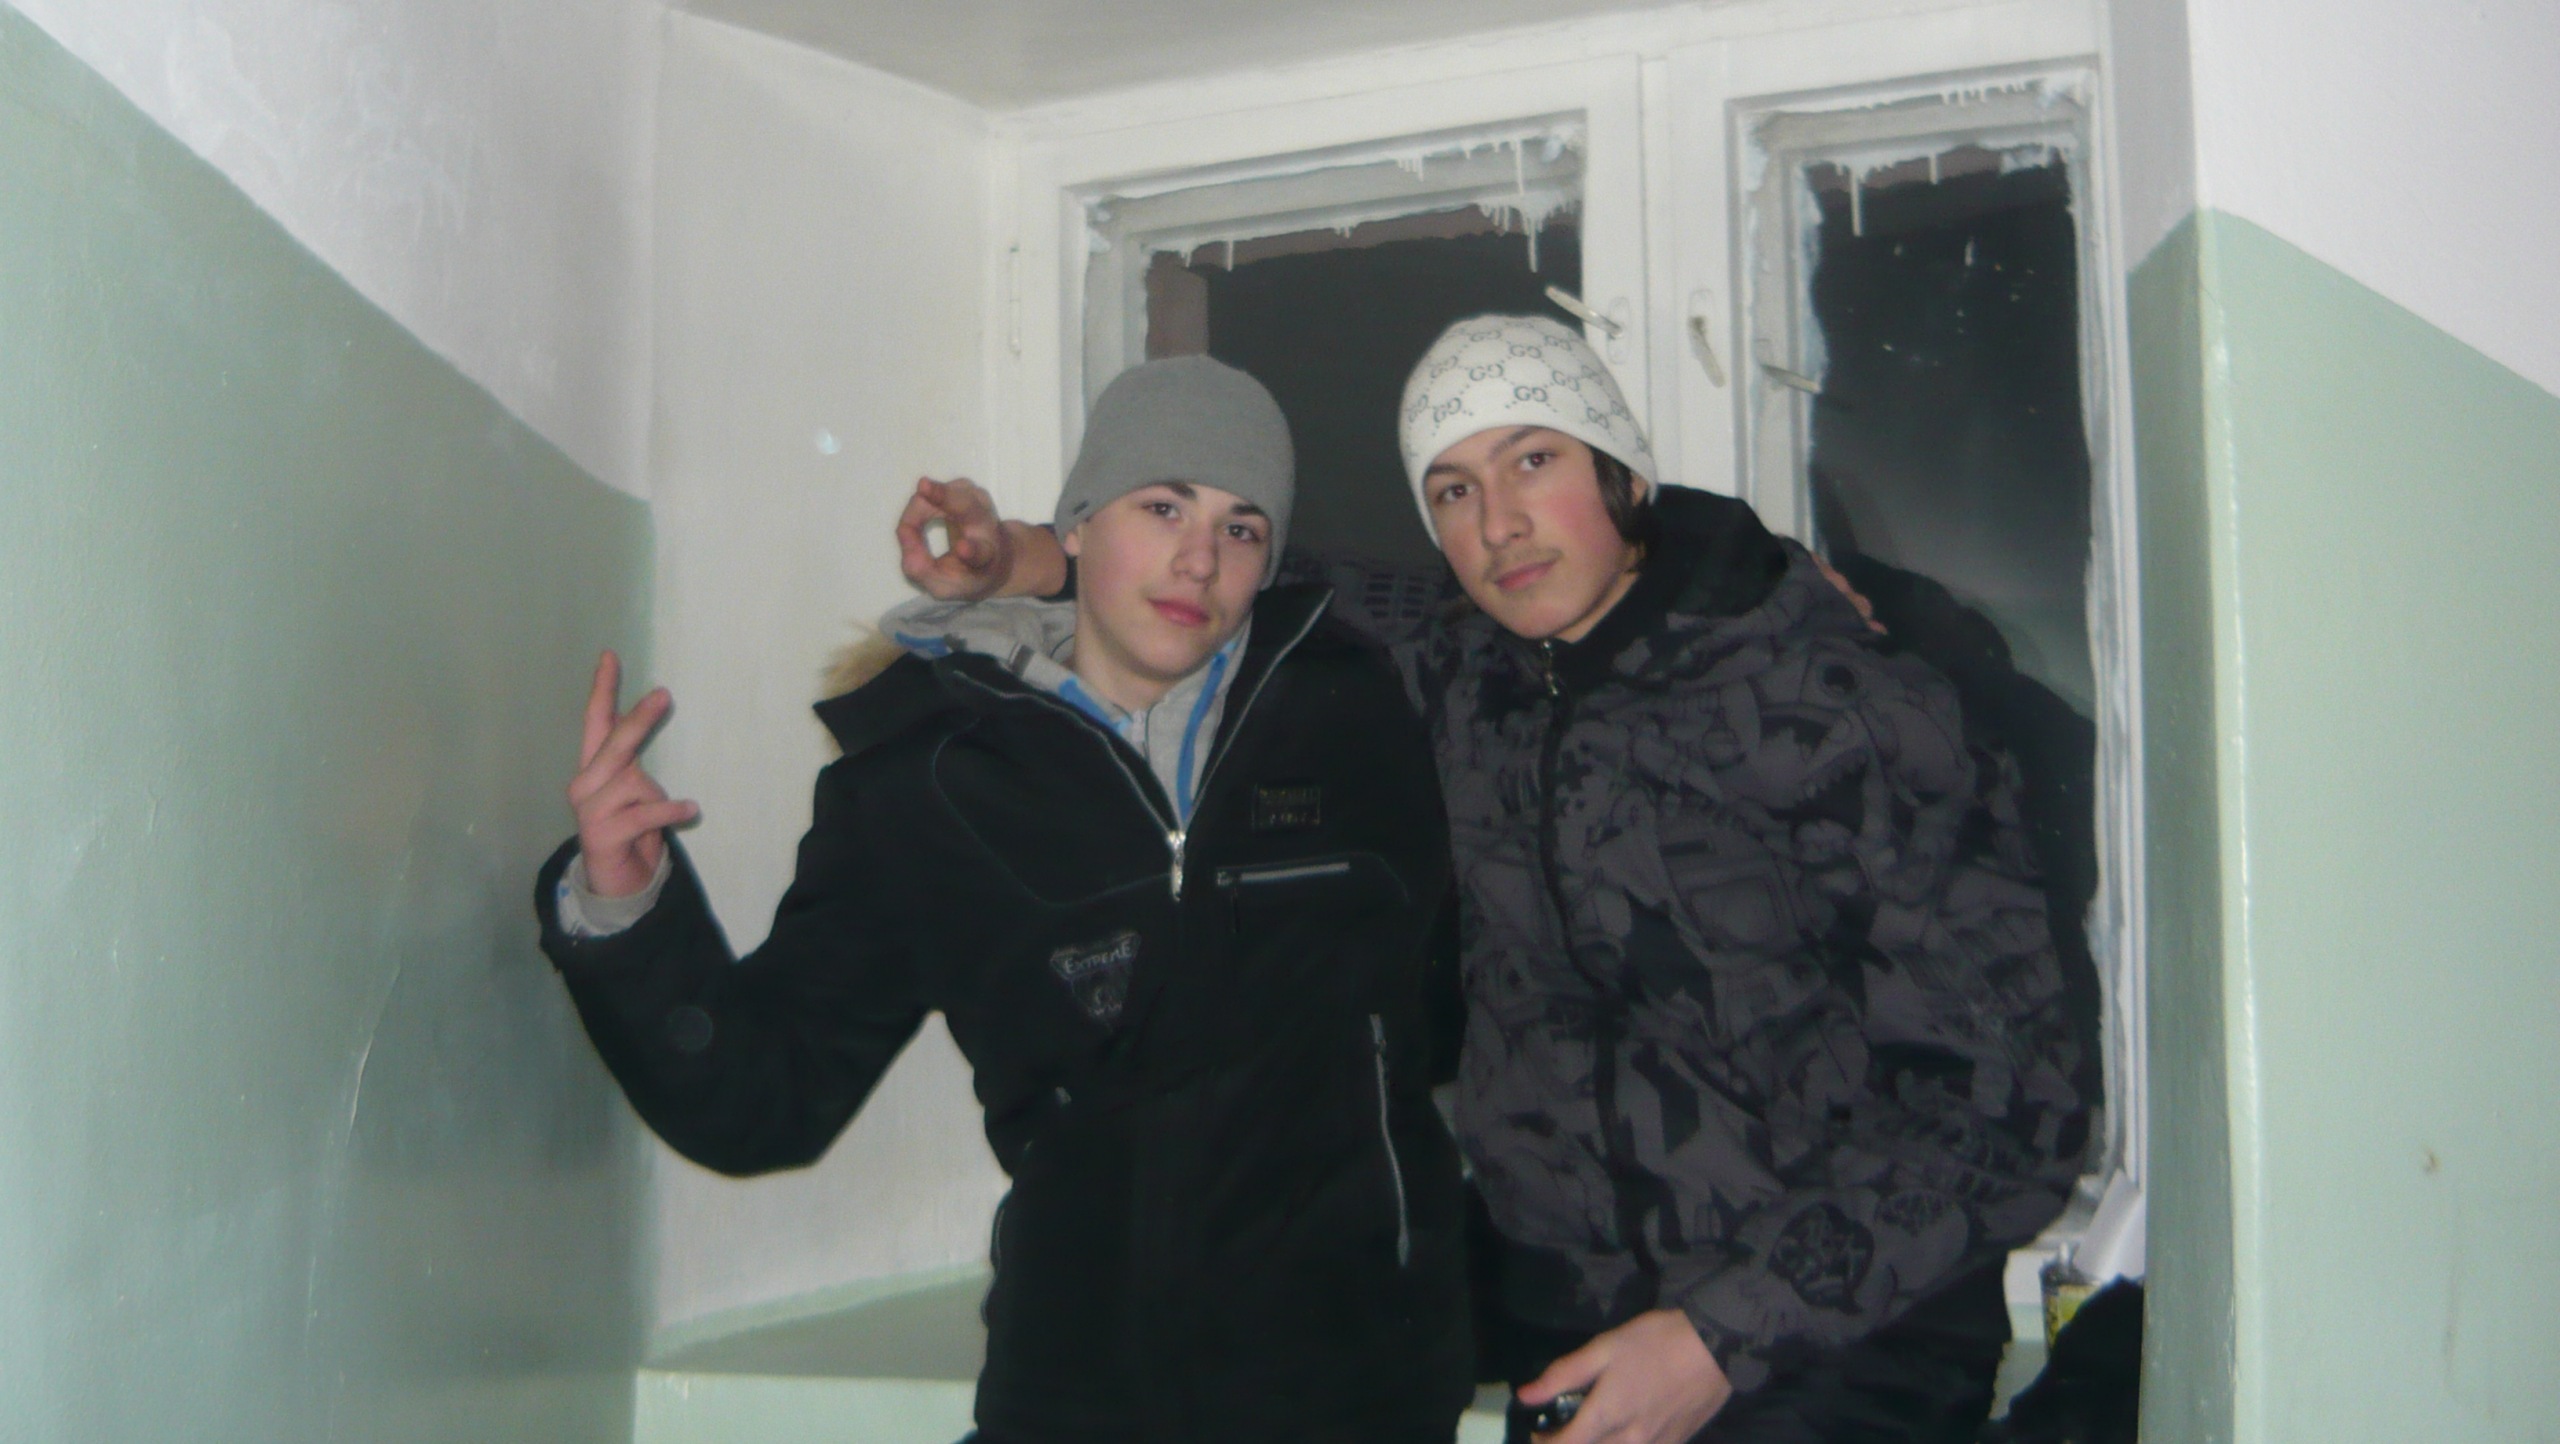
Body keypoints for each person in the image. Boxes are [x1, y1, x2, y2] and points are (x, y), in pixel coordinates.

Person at [898, 317, 2092, 1444]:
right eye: (1453, 491)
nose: (1501, 525)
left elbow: (2013, 1114)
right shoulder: (1467, 673)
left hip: (1845, 1345)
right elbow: (1254, 580)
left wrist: (1719, 1338)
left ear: (1620, 473)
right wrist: (1028, 557)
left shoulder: (1845, 710)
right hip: (1574, 1322)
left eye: (1533, 460)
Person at [538, 357, 1473, 1444]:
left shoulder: (1353, 712)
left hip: (1364, 1396)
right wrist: (628, 906)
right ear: (1079, 522)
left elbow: (1458, 1004)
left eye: (1242, 527)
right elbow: (763, 1100)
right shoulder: (927, 785)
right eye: (1162, 506)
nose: (1199, 558)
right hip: (1082, 1401)